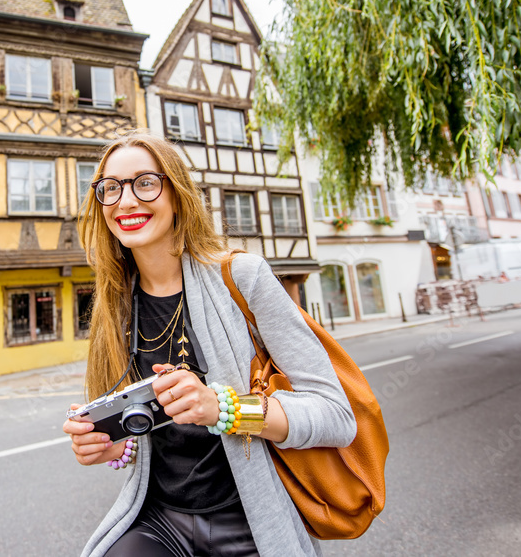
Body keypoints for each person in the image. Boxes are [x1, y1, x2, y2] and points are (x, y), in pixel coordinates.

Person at [62, 130, 357, 557]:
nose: (125, 202)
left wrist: (224, 409)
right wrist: (111, 444)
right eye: (110, 188)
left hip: (250, 522)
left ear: (177, 193)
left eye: (145, 182)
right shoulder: (115, 304)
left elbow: (336, 416)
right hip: (159, 519)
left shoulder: (243, 278)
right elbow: (140, 428)